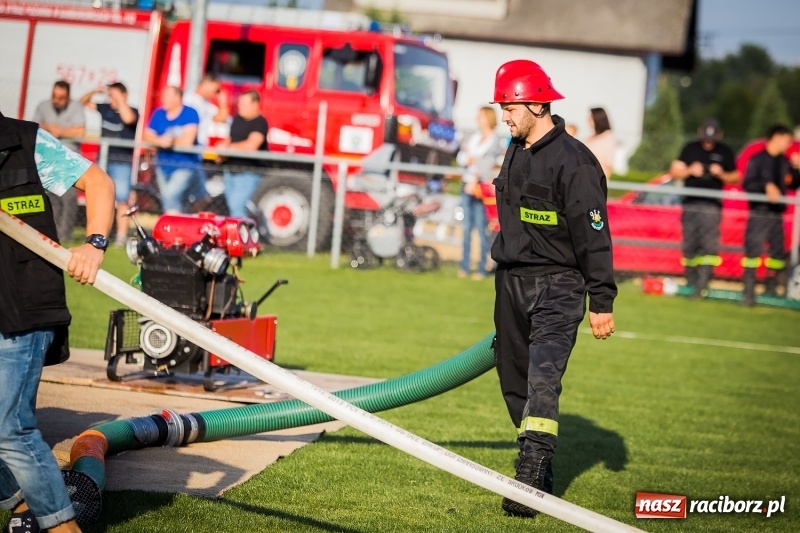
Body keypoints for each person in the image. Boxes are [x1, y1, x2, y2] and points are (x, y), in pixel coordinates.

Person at [489, 59, 617, 517]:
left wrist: (601, 300)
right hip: (512, 282)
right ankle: (539, 466)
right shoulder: (516, 148)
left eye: (511, 106)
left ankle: (528, 476)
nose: (504, 115)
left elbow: (594, 237)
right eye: (503, 106)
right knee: (513, 381)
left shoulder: (576, 164)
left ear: (538, 104)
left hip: (559, 287)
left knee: (543, 379)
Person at [0, 110, 115, 533]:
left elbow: (99, 183)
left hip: (21, 307)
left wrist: (94, 244)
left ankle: (61, 528)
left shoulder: (24, 142)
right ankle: (20, 501)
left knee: (9, 426)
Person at [669, 118, 740, 297]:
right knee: (690, 245)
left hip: (712, 206)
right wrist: (689, 171)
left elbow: (737, 177)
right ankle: (691, 282)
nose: (709, 142)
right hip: (691, 204)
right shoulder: (690, 148)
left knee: (708, 246)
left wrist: (722, 174)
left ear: (719, 135)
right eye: (706, 138)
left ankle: (703, 284)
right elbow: (674, 171)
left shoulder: (725, 152)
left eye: (712, 138)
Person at [740, 125, 800, 306]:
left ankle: (771, 290)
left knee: (777, 254)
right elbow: (748, 183)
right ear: (777, 137)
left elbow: (793, 183)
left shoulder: (785, 163)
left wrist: (798, 169)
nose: (788, 145)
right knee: (753, 252)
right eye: (787, 140)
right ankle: (748, 292)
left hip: (776, 214)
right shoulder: (757, 160)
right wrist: (765, 186)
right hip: (759, 212)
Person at [80, 82, 139, 246]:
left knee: (122, 200)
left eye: (114, 95)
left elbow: (128, 119)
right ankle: (98, 234)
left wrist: (120, 100)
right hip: (104, 159)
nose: (110, 98)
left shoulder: (132, 111)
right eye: (110, 95)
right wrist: (94, 90)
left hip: (122, 162)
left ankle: (120, 237)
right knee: (99, 195)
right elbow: (81, 103)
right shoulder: (104, 108)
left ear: (124, 95)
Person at [31, 81, 86, 242]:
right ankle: (51, 232)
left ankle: (65, 234)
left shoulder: (76, 108)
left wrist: (59, 131)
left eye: (61, 97)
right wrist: (51, 127)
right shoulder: (43, 106)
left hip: (69, 158)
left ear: (68, 96)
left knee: (68, 199)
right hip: (47, 157)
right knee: (51, 198)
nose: (56, 100)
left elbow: (80, 131)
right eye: (54, 96)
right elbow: (33, 126)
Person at [456, 106, 503, 280]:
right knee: (467, 229)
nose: (478, 119)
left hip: (482, 189)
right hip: (467, 186)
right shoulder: (474, 137)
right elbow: (462, 157)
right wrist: (471, 160)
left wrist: (476, 169)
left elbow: (488, 163)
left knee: (482, 229)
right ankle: (464, 265)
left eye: (481, 116)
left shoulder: (495, 139)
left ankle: (482, 267)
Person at [143, 86, 201, 213]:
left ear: (178, 98)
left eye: (167, 96)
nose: (163, 99)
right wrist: (159, 141)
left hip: (184, 165)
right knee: (169, 199)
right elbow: (146, 135)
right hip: (163, 165)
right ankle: (177, 225)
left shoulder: (190, 113)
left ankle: (172, 227)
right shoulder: (159, 113)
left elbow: (187, 141)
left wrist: (170, 141)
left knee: (170, 196)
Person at [218, 90, 269, 218]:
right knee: (232, 206)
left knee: (237, 207)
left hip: (248, 173)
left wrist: (229, 148)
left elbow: (252, 145)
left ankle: (244, 236)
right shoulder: (237, 119)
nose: (240, 107)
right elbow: (231, 139)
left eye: (244, 104)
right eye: (240, 103)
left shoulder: (260, 122)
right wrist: (221, 150)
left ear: (255, 104)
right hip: (230, 171)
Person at [183, 74, 227, 209]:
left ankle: (188, 212)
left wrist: (223, 101)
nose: (215, 93)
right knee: (191, 188)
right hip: (188, 149)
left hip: (198, 151)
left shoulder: (206, 105)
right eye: (215, 89)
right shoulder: (188, 99)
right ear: (206, 84)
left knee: (199, 192)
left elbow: (221, 117)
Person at [583, 107, 616, 178]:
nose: (588, 120)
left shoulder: (608, 137)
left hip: (596, 180)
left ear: (597, 119)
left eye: (591, 118)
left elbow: (608, 165)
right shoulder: (589, 137)